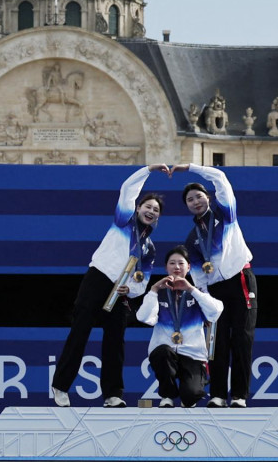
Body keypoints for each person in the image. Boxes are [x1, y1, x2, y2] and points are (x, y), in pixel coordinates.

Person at [51, 164, 170, 407]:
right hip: (98, 278)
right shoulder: (123, 220)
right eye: (147, 206)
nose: (151, 211)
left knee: (116, 339)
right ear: (137, 208)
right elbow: (127, 189)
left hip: (120, 291)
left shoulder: (150, 248)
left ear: (158, 217)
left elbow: (143, 279)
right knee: (80, 332)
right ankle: (61, 386)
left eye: (155, 210)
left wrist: (133, 290)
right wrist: (149, 169)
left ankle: (113, 394)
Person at [178, 162, 256, 408]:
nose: (196, 201)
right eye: (190, 199)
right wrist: (204, 297)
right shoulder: (192, 238)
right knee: (216, 340)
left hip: (240, 279)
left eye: (199, 196)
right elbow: (199, 275)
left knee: (242, 338)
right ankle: (218, 395)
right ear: (187, 206)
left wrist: (190, 167)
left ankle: (240, 396)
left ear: (208, 197)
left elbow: (221, 178)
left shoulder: (225, 213)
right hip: (215, 291)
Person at [137, 246, 223, 407]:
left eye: (181, 263)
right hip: (167, 353)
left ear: (188, 267)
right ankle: (167, 395)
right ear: (166, 267)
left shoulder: (197, 291)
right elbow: (144, 317)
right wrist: (154, 290)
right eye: (172, 263)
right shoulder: (159, 293)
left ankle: (194, 384)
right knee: (162, 352)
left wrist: (191, 289)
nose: (176, 267)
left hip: (193, 355)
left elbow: (216, 311)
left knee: (190, 397)